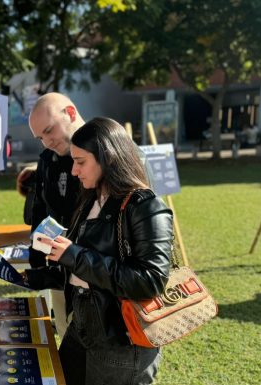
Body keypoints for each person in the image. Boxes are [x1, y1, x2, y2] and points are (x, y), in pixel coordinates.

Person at [25, 117, 173, 385]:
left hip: (122, 339)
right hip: (83, 325)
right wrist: (41, 277)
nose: (73, 171)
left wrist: (75, 256)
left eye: (81, 162)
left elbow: (151, 281)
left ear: (109, 158)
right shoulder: (91, 200)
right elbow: (83, 271)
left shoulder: (146, 206)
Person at [17, 92, 85, 337]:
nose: (46, 142)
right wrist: (37, 258)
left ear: (71, 113)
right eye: (40, 137)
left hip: (98, 276)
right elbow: (42, 209)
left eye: (49, 130)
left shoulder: (108, 151)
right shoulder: (47, 158)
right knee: (67, 335)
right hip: (59, 268)